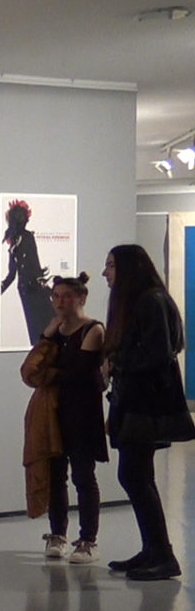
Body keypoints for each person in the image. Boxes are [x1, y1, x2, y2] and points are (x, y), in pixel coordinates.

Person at [101, 245, 194, 581]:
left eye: (111, 265)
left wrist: (116, 361)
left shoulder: (150, 301)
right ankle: (153, 550)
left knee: (134, 475)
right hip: (137, 402)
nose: (105, 272)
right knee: (137, 476)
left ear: (128, 268)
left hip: (146, 404)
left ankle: (163, 555)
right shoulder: (142, 301)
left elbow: (156, 353)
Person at [21, 274, 107, 563]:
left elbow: (78, 373)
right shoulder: (54, 331)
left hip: (82, 412)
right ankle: (57, 534)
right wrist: (46, 336)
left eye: (67, 296)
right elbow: (31, 371)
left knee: (83, 475)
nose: (60, 301)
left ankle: (88, 540)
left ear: (81, 298)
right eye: (56, 296)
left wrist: (49, 374)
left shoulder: (93, 329)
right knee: (56, 475)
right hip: (54, 411)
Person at [2, 200, 56, 345]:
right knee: (43, 327)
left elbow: (15, 272)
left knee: (41, 328)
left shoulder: (18, 240)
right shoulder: (22, 239)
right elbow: (28, 267)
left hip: (29, 288)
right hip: (30, 288)